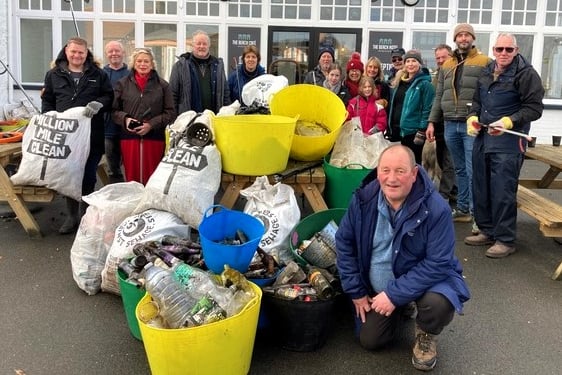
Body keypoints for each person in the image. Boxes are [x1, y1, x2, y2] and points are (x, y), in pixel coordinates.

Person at [335, 144, 470, 372]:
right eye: (385, 170)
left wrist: (393, 294)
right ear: (377, 172)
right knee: (371, 340)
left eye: (400, 171)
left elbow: (439, 263)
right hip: (379, 288)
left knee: (438, 304)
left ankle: (426, 332)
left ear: (415, 173)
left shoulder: (436, 209)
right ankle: (401, 307)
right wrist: (356, 291)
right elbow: (344, 242)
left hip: (423, 283)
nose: (391, 178)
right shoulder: (363, 200)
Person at [464, 33, 544, 258]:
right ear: (493, 49)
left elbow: (534, 108)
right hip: (483, 138)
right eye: (499, 49)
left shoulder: (526, 74)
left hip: (509, 141)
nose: (504, 54)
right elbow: (477, 102)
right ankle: (487, 230)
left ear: (516, 50)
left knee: (502, 191)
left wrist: (510, 120)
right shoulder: (487, 70)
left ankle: (505, 239)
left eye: (508, 50)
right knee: (481, 187)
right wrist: (472, 117)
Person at [41, 37, 114, 234]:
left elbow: (109, 96)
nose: (77, 55)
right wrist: (49, 117)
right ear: (66, 51)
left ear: (86, 53)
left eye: (81, 52)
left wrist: (99, 103)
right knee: (69, 176)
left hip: (91, 135)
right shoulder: (53, 75)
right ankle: (72, 216)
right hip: (66, 137)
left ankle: (85, 217)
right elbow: (47, 100)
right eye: (73, 52)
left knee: (88, 176)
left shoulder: (98, 74)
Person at [427, 23, 492, 225]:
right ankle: (463, 208)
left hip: (470, 123)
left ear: (472, 38)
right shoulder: (446, 65)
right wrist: (431, 122)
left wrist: (483, 118)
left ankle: (476, 213)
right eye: (460, 35)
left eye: (467, 35)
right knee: (459, 169)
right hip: (449, 123)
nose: (463, 38)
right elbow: (439, 96)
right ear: (455, 39)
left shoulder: (485, 62)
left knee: (473, 169)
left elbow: (489, 94)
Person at [112, 48, 177, 185]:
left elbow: (170, 113)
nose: (143, 64)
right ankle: (134, 205)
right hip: (129, 139)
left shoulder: (163, 85)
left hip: (154, 138)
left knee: (153, 178)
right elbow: (113, 111)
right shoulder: (122, 84)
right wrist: (126, 119)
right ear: (133, 63)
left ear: (152, 64)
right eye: (139, 61)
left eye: (146, 61)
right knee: (131, 179)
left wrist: (151, 124)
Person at [386, 50, 434, 163]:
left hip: (414, 133)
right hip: (399, 132)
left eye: (414, 61)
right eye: (408, 61)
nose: (410, 64)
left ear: (420, 64)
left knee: (414, 165)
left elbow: (428, 108)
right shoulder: (400, 81)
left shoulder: (425, 84)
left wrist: (422, 131)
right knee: (401, 165)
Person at [425, 44, 458, 206]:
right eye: (437, 58)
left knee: (448, 161)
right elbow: (436, 100)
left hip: (451, 122)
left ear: (451, 56)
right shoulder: (438, 74)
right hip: (438, 123)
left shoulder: (456, 73)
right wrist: (431, 122)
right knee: (441, 159)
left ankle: (444, 194)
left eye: (443, 57)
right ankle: (453, 191)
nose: (439, 61)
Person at [169, 30, 230, 115]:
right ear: (193, 45)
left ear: (209, 46)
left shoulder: (218, 65)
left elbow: (225, 93)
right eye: (198, 43)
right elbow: (172, 94)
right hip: (188, 119)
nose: (201, 46)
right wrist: (174, 118)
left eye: (204, 44)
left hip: (213, 118)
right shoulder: (180, 66)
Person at [103, 40, 129, 182]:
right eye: (110, 51)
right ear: (107, 54)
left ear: (123, 53)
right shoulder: (101, 74)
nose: (114, 54)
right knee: (111, 160)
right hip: (108, 125)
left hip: (127, 124)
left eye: (117, 51)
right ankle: (115, 185)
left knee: (127, 159)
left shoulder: (131, 73)